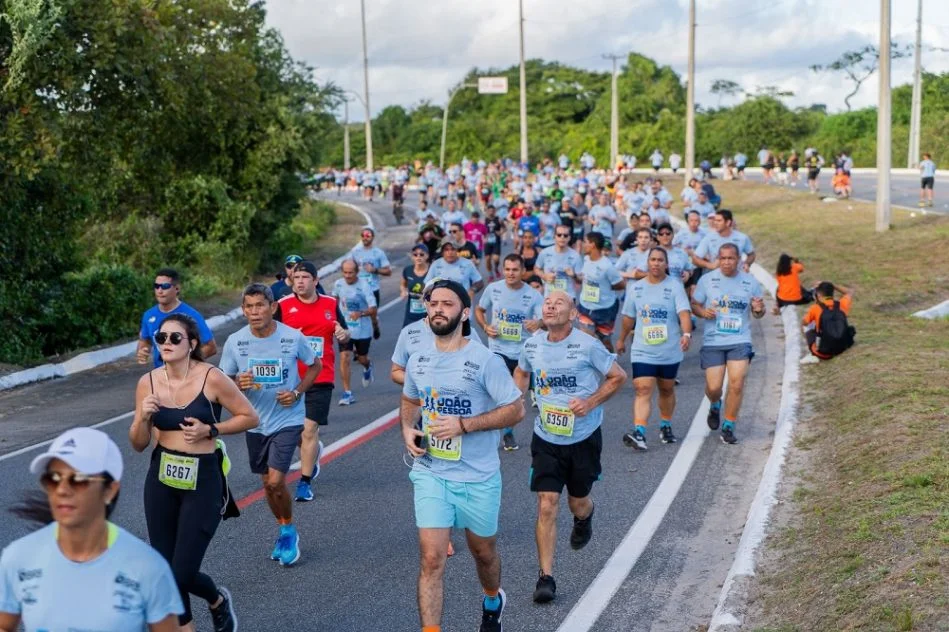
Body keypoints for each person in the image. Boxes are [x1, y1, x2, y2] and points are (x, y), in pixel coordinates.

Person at [400, 279, 525, 632]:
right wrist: (407, 428)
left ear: (465, 313)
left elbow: (515, 410)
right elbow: (410, 400)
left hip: (478, 475)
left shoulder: (485, 360)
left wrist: (464, 426)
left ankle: (492, 599)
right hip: (431, 472)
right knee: (431, 558)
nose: (438, 309)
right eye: (433, 303)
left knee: (482, 553)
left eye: (448, 304)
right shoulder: (419, 359)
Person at [129, 313, 257, 631]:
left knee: (181, 572)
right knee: (164, 568)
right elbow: (138, 444)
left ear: (192, 344)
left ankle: (216, 600)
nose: (166, 343)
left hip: (203, 478)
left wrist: (211, 429)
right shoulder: (147, 383)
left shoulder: (211, 377)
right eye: (161, 338)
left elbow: (249, 416)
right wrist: (143, 418)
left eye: (175, 338)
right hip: (161, 476)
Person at [1, 428, 183, 632]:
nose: (62, 490)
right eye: (53, 479)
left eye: (78, 479)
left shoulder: (148, 568)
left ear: (110, 490)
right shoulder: (18, 558)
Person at [513, 290, 625, 603]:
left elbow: (617, 376)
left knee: (578, 501)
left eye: (558, 302)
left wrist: (590, 402)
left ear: (573, 313)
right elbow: (522, 371)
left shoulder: (588, 345)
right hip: (546, 438)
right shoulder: (532, 344)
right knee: (547, 502)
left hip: (583, 438)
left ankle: (584, 517)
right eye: (547, 302)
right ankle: (545, 577)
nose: (550, 305)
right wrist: (515, 398)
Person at [220, 284, 322, 567]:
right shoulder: (235, 341)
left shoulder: (292, 337)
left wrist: (297, 392)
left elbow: (314, 365)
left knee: (277, 480)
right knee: (267, 485)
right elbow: (223, 380)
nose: (255, 312)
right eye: (249, 307)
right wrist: (237, 383)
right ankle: (283, 526)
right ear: (243, 310)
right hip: (254, 422)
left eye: (260, 305)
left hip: (287, 419)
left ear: (273, 307)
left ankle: (289, 532)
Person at [277, 260, 351, 502]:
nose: (300, 281)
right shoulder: (282, 306)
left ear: (316, 281)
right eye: (296, 277)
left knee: (309, 429)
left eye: (305, 277)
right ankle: (313, 452)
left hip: (320, 376)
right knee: (295, 430)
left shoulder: (330, 304)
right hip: (289, 378)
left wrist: (342, 333)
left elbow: (344, 332)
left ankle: (305, 482)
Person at [616, 248, 692, 449]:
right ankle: (639, 433)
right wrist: (622, 339)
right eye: (653, 260)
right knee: (643, 389)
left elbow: (684, 313)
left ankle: (665, 424)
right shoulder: (637, 288)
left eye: (660, 260)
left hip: (669, 350)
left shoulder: (675, 286)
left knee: (666, 389)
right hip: (642, 349)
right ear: (647, 263)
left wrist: (686, 334)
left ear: (666, 264)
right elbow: (628, 317)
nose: (656, 263)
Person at [691, 244, 766, 444]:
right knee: (714, 388)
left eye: (730, 258)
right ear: (718, 258)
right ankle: (715, 404)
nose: (726, 262)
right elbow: (695, 304)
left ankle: (729, 425)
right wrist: (703, 313)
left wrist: (758, 308)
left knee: (737, 383)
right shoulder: (707, 280)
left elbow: (759, 312)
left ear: (738, 260)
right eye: (723, 258)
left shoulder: (749, 282)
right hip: (713, 340)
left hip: (739, 340)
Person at [475, 254, 544, 451]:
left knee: (516, 398)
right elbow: (479, 310)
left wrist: (537, 323)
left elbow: (544, 320)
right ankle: (488, 428)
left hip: (522, 352)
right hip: (498, 349)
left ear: (523, 271)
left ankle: (507, 432)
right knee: (495, 393)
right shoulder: (494, 289)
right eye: (507, 269)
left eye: (515, 270)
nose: (510, 273)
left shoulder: (533, 295)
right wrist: (485, 326)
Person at [138, 268, 217, 367]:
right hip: (160, 377)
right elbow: (145, 341)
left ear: (177, 288)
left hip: (186, 377)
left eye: (165, 286)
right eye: (156, 286)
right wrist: (143, 351)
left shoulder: (191, 315)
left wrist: (185, 363)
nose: (160, 290)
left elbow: (211, 347)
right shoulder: (148, 315)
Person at [333, 259, 378, 406]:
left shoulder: (364, 286)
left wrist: (361, 313)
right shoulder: (338, 284)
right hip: (345, 329)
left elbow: (373, 309)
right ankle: (347, 393)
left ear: (357, 272)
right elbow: (334, 301)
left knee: (361, 358)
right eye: (345, 272)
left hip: (363, 329)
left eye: (350, 272)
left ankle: (367, 366)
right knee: (345, 357)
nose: (347, 275)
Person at [577, 232, 625, 351]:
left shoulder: (607, 266)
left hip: (605, 309)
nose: (583, 245)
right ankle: (588, 367)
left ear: (592, 244)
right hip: (586, 306)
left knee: (606, 343)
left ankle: (610, 363)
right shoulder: (586, 259)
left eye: (585, 242)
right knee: (585, 340)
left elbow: (621, 284)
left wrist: (605, 288)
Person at [349, 228, 391, 340]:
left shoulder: (378, 253)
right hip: (358, 289)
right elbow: (348, 268)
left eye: (368, 236)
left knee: (372, 314)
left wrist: (375, 270)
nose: (365, 238)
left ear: (372, 237)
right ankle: (356, 342)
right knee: (355, 314)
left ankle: (375, 325)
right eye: (363, 235)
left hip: (373, 289)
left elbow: (388, 271)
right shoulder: (355, 252)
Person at [801, 282, 855, 363]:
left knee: (807, 325)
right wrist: (832, 285)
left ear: (818, 295)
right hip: (842, 348)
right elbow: (849, 292)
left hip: (824, 354)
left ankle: (812, 353)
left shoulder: (815, 308)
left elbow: (804, 323)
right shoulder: (840, 304)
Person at [536, 225, 584, 300]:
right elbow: (536, 268)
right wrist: (544, 276)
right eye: (559, 235)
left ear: (569, 238)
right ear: (554, 236)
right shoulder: (544, 252)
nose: (562, 238)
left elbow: (581, 280)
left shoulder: (575, 256)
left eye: (565, 235)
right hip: (549, 297)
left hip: (568, 298)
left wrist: (574, 275)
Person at [402, 244, 432, 327]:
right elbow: (403, 284)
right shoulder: (407, 270)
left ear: (427, 256)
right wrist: (403, 290)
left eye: (422, 254)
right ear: (412, 257)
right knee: (408, 336)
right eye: (415, 255)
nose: (418, 257)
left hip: (428, 313)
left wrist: (427, 296)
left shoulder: (432, 271)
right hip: (411, 313)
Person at [483, 205, 505, 281]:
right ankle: (490, 274)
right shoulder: (484, 220)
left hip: (496, 241)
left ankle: (496, 268)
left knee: (496, 258)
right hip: (487, 242)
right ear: (487, 211)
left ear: (495, 211)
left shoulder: (498, 219)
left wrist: (500, 232)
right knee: (488, 259)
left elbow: (504, 228)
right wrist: (483, 237)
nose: (491, 212)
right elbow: (481, 230)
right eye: (490, 211)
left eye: (493, 211)